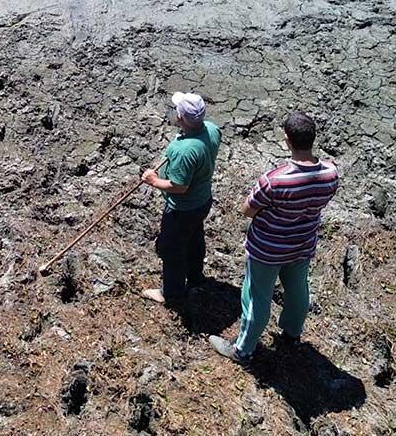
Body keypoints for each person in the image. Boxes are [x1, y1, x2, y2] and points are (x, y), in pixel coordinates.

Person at [210, 112, 339, 363]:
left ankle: (243, 350)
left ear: (287, 139)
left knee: (257, 297)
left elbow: (248, 210)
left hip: (267, 250)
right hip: (302, 244)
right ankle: (291, 333)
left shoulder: (274, 180)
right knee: (298, 289)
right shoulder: (331, 173)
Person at [141, 92, 222, 304]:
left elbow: (178, 187)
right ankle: (195, 277)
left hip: (182, 209)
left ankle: (171, 292)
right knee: (195, 239)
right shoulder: (212, 130)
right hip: (203, 201)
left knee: (172, 250)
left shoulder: (183, 150)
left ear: (181, 118)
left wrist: (152, 180)